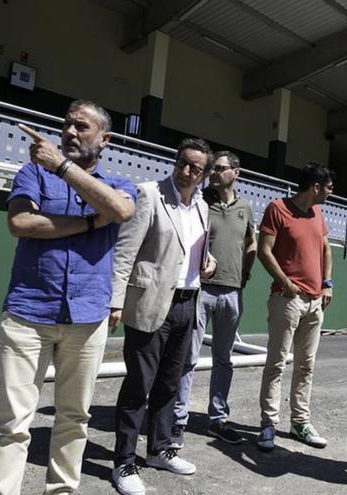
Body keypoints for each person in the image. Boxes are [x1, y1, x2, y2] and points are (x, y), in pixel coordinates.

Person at [0, 100, 136, 495]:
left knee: (73, 417)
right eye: (66, 124)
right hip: (28, 313)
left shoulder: (119, 184)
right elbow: (21, 222)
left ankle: (62, 491)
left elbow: (120, 211)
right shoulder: (33, 172)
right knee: (12, 421)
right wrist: (89, 222)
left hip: (87, 318)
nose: (69, 132)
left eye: (81, 127)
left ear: (104, 139)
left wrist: (63, 169)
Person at [109, 137, 217, 495]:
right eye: (184, 163)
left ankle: (158, 450)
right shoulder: (149, 194)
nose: (188, 171)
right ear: (176, 161)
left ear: (205, 174)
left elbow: (193, 253)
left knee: (170, 384)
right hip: (152, 302)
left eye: (196, 168)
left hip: (189, 303)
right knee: (138, 386)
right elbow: (125, 252)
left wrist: (209, 263)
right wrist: (115, 300)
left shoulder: (202, 207)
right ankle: (124, 462)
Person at [171, 150, 257, 447]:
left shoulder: (246, 207)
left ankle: (218, 420)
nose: (214, 173)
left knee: (224, 359)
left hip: (233, 293)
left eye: (220, 168)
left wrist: (244, 276)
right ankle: (178, 421)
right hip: (201, 291)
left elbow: (251, 244)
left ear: (236, 172)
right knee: (188, 358)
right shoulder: (200, 201)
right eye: (213, 169)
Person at [255, 162, 335, 452]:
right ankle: (268, 424)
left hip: (315, 302)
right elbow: (264, 251)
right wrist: (285, 282)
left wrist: (327, 284)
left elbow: (326, 249)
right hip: (286, 299)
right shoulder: (277, 209)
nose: (331, 191)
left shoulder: (318, 214)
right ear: (315, 187)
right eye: (328, 186)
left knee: (306, 366)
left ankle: (300, 422)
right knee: (276, 363)